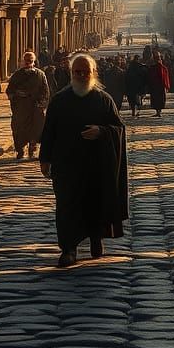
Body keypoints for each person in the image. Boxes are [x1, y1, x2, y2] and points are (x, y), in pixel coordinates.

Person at [39, 54, 129, 267]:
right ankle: (68, 249)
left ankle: (96, 238)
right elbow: (49, 131)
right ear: (71, 73)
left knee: (94, 203)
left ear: (93, 73)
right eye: (76, 72)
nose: (80, 75)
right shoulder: (59, 101)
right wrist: (45, 159)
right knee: (66, 205)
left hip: (95, 164)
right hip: (66, 165)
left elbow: (118, 129)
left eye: (85, 72)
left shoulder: (104, 100)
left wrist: (102, 131)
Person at [6, 50, 50, 159]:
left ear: (34, 61)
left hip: (35, 108)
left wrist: (41, 104)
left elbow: (45, 91)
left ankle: (32, 148)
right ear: (22, 61)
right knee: (19, 130)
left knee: (35, 130)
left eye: (30, 60)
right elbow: (10, 90)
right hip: (21, 108)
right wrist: (17, 94)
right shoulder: (17, 75)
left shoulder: (40, 75)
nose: (28, 62)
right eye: (26, 60)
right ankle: (20, 150)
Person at [147, 53, 170, 118]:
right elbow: (166, 78)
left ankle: (158, 112)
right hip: (160, 87)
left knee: (156, 99)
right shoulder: (163, 68)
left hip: (155, 87)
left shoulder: (154, 68)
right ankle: (159, 112)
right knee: (160, 99)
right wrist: (167, 86)